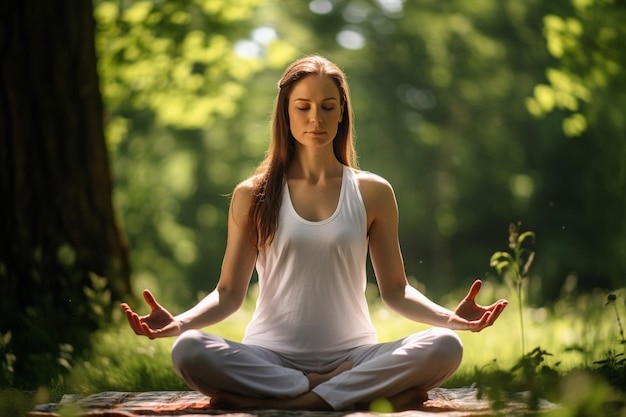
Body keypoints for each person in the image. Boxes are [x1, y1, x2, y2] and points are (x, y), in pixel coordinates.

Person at [121, 55, 508, 411]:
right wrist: (180, 324)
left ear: (342, 113)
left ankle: (288, 402)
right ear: (285, 115)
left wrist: (453, 320)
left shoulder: (372, 191)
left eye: (327, 107)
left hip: (354, 356)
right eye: (303, 107)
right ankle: (330, 390)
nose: (315, 120)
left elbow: (396, 291)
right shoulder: (251, 195)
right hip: (269, 357)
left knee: (444, 346)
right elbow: (228, 294)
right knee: (188, 350)